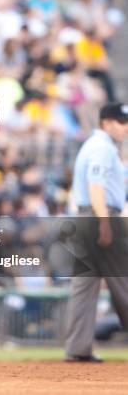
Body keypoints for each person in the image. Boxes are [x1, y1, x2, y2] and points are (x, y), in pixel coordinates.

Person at [65, 103, 128, 363]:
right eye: (121, 122)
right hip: (100, 216)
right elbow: (96, 187)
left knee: (84, 286)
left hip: (85, 218)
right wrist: (104, 223)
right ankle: (78, 348)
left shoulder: (97, 146)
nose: (126, 127)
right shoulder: (102, 147)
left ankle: (78, 348)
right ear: (106, 123)